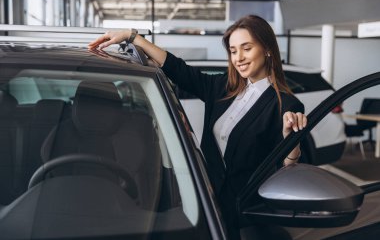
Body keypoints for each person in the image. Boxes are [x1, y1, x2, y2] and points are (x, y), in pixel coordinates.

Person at [89, 14, 307, 239]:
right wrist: (132, 37)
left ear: (267, 49)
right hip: (208, 205)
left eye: (246, 48)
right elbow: (180, 70)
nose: (238, 58)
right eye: (233, 51)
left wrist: (292, 143)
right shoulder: (224, 87)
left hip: (248, 218)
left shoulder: (287, 105)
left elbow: (287, 173)